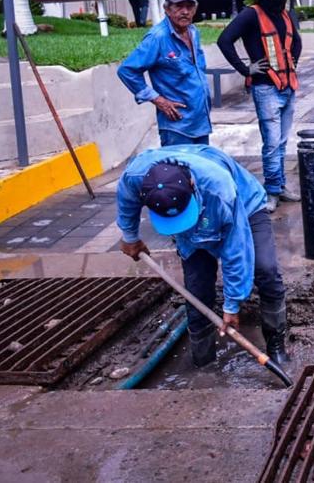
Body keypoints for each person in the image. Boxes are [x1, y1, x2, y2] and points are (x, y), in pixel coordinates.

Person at [116, 145, 289, 367]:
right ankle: (203, 358)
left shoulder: (220, 188)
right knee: (197, 288)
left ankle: (276, 346)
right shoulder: (136, 176)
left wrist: (232, 305)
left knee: (265, 269)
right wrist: (130, 236)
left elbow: (235, 250)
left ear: (191, 184)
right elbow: (126, 198)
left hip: (245, 205)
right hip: (193, 221)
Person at [217, 0, 302, 212]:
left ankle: (280, 185)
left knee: (283, 142)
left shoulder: (285, 15)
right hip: (265, 88)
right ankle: (272, 190)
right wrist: (246, 69)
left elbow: (296, 41)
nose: (279, 1)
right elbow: (225, 40)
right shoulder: (250, 15)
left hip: (288, 86)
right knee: (272, 142)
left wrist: (293, 62)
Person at [118, 0, 212, 146]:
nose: (185, 11)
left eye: (189, 6)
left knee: (199, 170)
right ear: (167, 9)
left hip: (200, 122)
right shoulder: (158, 37)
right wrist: (158, 99)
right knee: (177, 171)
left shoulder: (193, 32)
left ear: (195, 9)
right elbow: (127, 70)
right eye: (178, 6)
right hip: (177, 126)